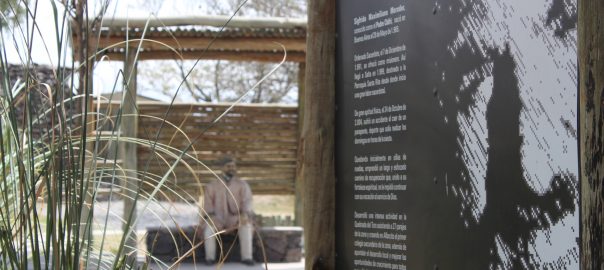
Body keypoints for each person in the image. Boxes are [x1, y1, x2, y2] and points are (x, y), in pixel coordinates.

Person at [201, 156, 255, 266]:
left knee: (246, 227)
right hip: (217, 218)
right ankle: (209, 258)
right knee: (208, 229)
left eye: (233, 166)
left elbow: (247, 202)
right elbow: (207, 204)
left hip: (236, 218)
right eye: (228, 166)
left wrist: (244, 215)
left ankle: (247, 257)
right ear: (222, 168)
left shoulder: (242, 185)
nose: (232, 168)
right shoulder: (212, 186)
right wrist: (212, 218)